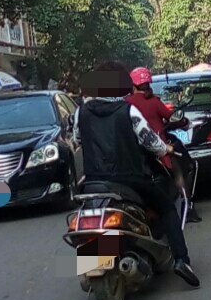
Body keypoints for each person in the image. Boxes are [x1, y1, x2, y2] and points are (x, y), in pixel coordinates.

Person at [73, 61, 200, 287]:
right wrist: (167, 148)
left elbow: (77, 138)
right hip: (130, 180)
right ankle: (182, 260)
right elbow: (152, 142)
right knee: (167, 207)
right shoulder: (128, 111)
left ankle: (90, 262)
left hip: (94, 182)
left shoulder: (80, 113)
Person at [126, 67, 201, 222]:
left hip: (132, 152)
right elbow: (171, 117)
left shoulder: (125, 103)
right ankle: (188, 208)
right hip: (160, 148)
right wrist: (184, 122)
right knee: (180, 173)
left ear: (133, 85)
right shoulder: (153, 101)